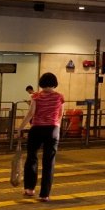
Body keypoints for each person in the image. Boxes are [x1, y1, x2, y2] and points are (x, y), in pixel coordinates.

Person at [18, 72, 64, 202]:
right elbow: (60, 114)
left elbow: (31, 113)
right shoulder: (60, 97)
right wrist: (57, 127)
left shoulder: (36, 96)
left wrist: (20, 127)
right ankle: (44, 194)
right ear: (54, 83)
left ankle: (29, 189)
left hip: (37, 129)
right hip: (52, 130)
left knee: (31, 158)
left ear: (41, 82)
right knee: (49, 162)